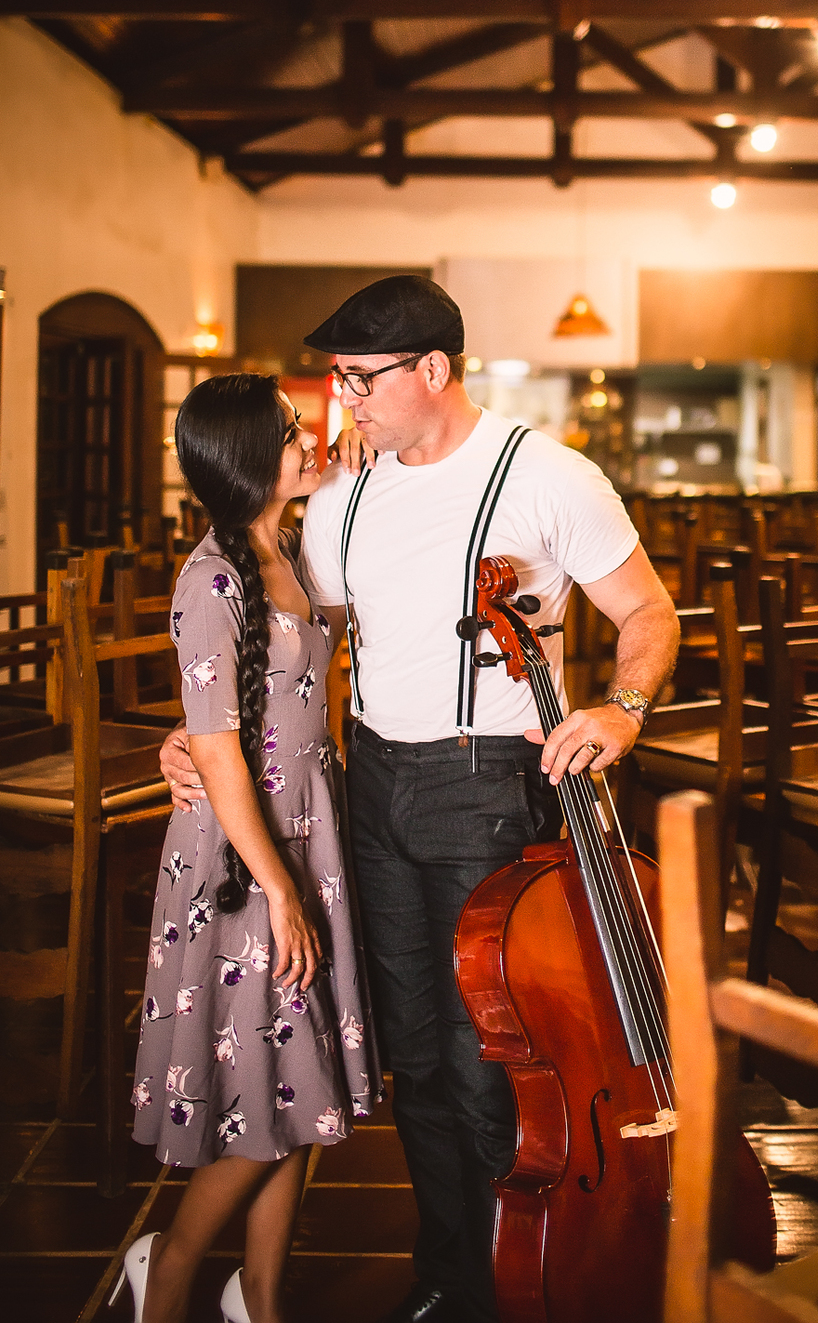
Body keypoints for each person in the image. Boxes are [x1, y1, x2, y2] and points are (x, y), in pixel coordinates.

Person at [161, 277, 680, 1323]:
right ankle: (447, 1276)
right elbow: (276, 638)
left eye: (360, 378)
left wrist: (622, 709)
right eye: (337, 379)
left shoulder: (548, 478)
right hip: (371, 785)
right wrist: (193, 732)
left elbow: (649, 613)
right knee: (417, 1064)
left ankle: (515, 1281)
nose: (342, 400)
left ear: (432, 372)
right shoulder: (344, 496)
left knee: (488, 1063)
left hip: (485, 782)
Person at [120, 374, 380, 1323]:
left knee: (301, 1089)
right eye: (285, 432)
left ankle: (260, 1296)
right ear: (241, 458)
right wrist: (279, 889)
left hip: (308, 842)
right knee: (264, 1094)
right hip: (242, 864)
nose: (307, 436)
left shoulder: (298, 556)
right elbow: (221, 744)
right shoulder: (211, 578)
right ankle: (171, 1271)